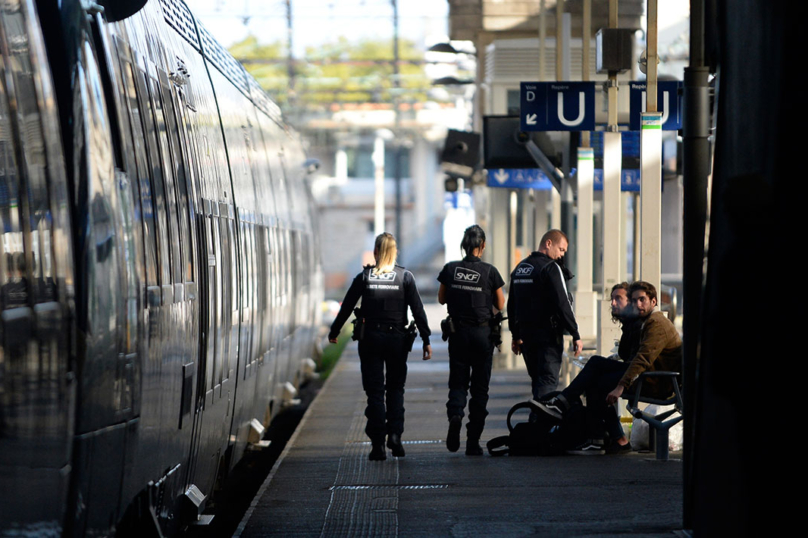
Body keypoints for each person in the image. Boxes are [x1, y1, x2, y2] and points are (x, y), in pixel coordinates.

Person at [534, 281, 683, 455]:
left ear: (654, 301)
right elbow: (626, 353)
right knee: (596, 364)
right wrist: (628, 322)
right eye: (634, 301)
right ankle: (608, 437)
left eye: (642, 300)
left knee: (597, 383)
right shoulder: (641, 322)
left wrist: (621, 386)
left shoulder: (656, 324)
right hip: (649, 376)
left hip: (657, 381)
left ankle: (595, 434)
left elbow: (642, 358)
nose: (638, 305)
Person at [328, 233, 432, 461]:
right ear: (395, 253)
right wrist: (426, 339)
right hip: (397, 341)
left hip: (370, 340)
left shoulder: (364, 277)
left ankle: (378, 446)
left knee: (375, 392)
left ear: (375, 252)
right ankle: (395, 436)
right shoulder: (405, 277)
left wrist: (334, 332)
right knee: (395, 389)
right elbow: (418, 310)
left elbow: (346, 307)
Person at [437, 225, 505, 455]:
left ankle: (455, 415)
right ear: (482, 245)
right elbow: (501, 305)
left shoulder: (450, 269)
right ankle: (472, 442)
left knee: (458, 383)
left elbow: (441, 298)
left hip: (458, 334)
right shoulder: (490, 271)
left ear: (464, 244)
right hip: (483, 335)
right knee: (479, 389)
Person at [507, 229, 583, 403]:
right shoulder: (550, 268)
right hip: (548, 337)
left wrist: (515, 335)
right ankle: (538, 425)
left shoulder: (520, 268)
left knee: (538, 382)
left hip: (526, 337)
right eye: (561, 249)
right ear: (548, 244)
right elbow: (563, 303)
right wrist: (575, 334)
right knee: (547, 383)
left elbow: (512, 305)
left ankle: (536, 424)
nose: (561, 255)